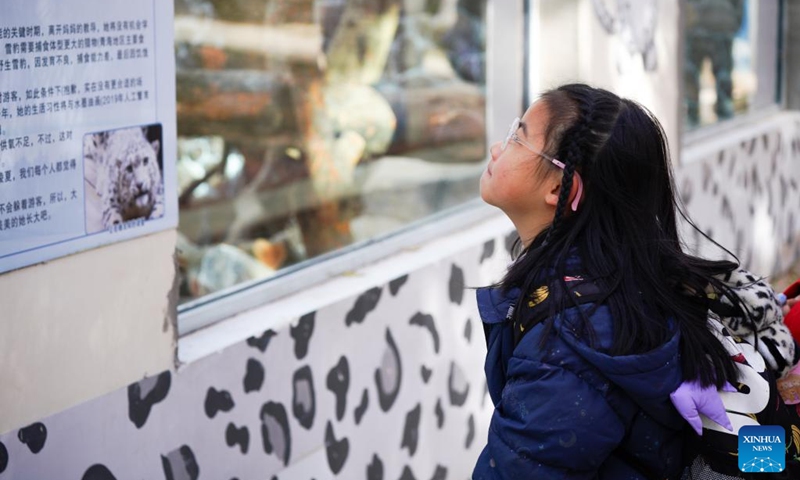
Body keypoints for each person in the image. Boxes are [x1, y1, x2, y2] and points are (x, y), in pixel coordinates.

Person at [472, 83, 783, 479]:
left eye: (518, 138)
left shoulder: (572, 341)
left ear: (557, 188)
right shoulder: (630, 282)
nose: (499, 148)